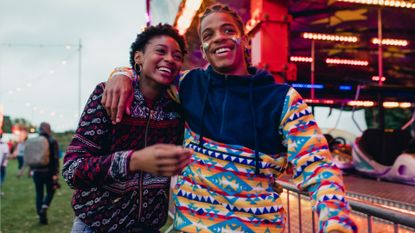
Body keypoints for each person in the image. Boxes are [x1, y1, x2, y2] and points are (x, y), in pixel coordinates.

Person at [103, 4, 357, 233]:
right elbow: (149, 71)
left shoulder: (284, 99)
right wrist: (121, 74)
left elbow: (317, 165)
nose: (219, 38)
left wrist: (336, 221)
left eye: (228, 30)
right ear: (203, 49)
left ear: (245, 40)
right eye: (208, 35)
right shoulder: (189, 84)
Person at [62, 24, 193, 233]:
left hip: (148, 228)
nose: (169, 58)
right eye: (160, 51)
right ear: (139, 57)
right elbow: (72, 169)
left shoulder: (178, 106)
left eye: (177, 56)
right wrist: (134, 161)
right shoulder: (107, 95)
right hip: (97, 226)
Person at [31, 122, 60, 224]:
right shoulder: (52, 140)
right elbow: (55, 158)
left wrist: (31, 169)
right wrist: (56, 173)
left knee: (39, 193)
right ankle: (44, 207)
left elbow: (31, 156)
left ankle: (41, 218)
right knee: (51, 191)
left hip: (36, 171)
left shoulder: (35, 141)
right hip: (48, 172)